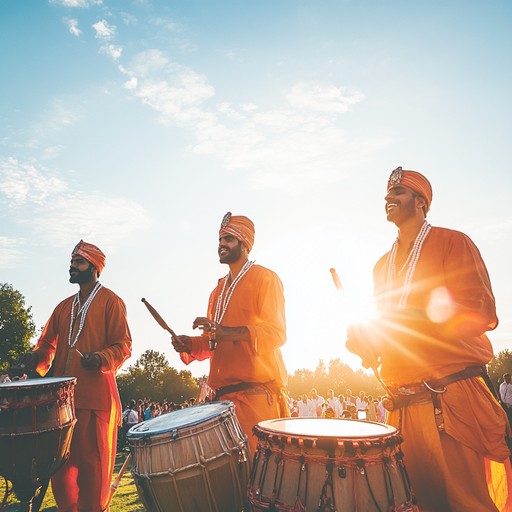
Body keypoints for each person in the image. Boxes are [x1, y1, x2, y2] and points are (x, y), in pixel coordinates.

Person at [346, 167, 511, 511]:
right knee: (412, 504)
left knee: (467, 504)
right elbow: (389, 337)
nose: (389, 198)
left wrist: (418, 319)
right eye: (387, 195)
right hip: (403, 407)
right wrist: (368, 344)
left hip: (450, 399)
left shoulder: (453, 242)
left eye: (398, 193)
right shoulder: (381, 266)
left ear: (421, 202)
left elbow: (480, 310)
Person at [18, 240, 132, 512]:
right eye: (71, 262)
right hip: (61, 405)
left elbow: (123, 345)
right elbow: (47, 344)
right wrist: (34, 358)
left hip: (95, 401)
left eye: (78, 262)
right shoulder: (63, 306)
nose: (72, 267)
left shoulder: (111, 302)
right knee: (61, 471)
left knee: (93, 471)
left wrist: (100, 358)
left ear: (94, 268)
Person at [171, 212, 289, 453]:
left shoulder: (265, 278)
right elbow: (213, 342)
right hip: (221, 403)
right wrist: (190, 344)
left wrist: (226, 332)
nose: (221, 244)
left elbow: (276, 333)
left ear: (244, 244)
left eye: (228, 239)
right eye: (220, 240)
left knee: (256, 479)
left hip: (255, 397)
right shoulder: (218, 290)